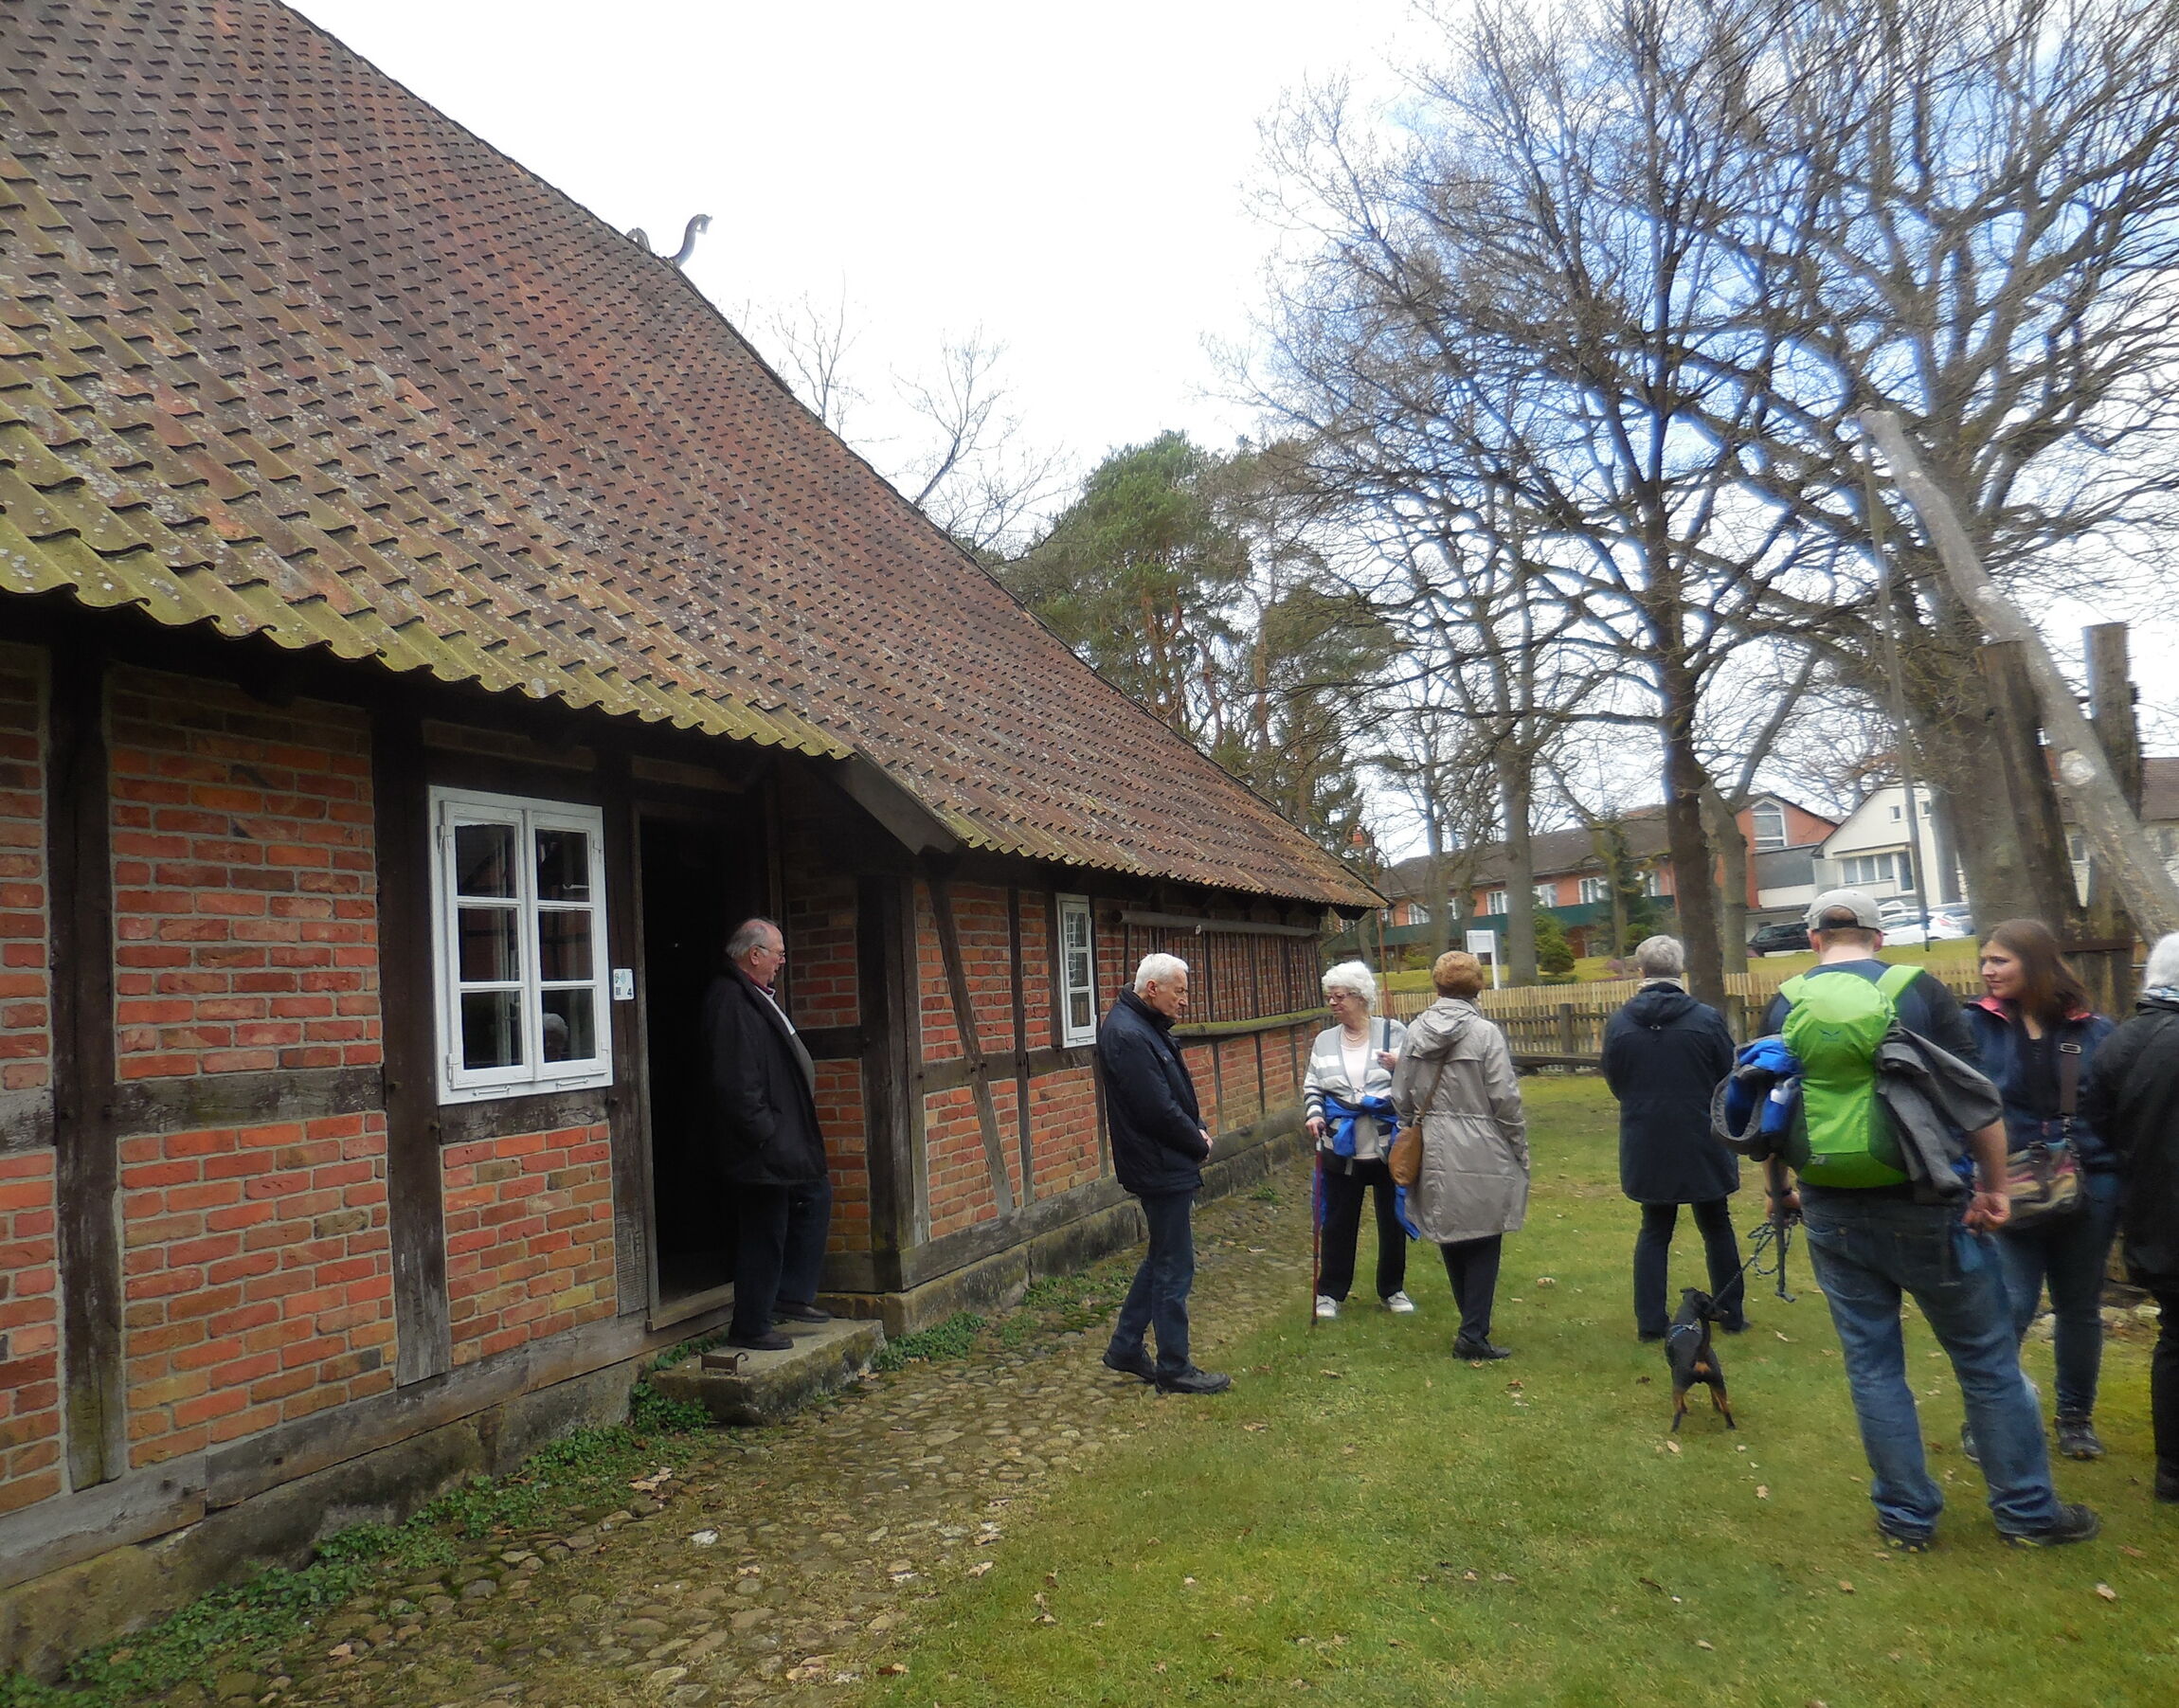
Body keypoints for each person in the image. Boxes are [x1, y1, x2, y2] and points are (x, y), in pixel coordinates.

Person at [1760, 890, 2097, 1548]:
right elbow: (1978, 1101)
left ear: (1812, 939)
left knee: (1873, 1365)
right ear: (1880, 937)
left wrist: (1779, 1191)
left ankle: (1906, 1518)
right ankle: (2026, 1512)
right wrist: (1994, 1188)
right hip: (1928, 1198)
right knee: (1986, 1357)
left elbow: (1771, 1103)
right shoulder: (1921, 992)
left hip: (1830, 1199)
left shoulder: (1788, 998)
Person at [1966, 919, 2120, 1461]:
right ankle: (1990, 1412)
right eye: (1985, 959)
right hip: (2007, 1183)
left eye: (2000, 960)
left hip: (2089, 1181)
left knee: (2079, 1307)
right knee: (2011, 1303)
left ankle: (2075, 1419)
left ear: (2036, 962)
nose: (1988, 970)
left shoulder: (2093, 1029)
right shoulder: (1975, 1026)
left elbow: (2116, 1103)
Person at [1098, 952, 1231, 1395]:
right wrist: (1197, 1142)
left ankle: (1126, 1346)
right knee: (1176, 1265)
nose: (1185, 1000)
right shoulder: (1128, 1034)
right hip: (1157, 1162)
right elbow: (1155, 1109)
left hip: (1165, 1158)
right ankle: (1174, 1366)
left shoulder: (1143, 1027)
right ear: (1152, 988)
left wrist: (1199, 1128)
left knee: (1162, 1257)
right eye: (1180, 990)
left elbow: (1175, 1094)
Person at [1603, 934, 1745, 1341]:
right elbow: (1727, 1075)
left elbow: (1616, 1077)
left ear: (1642, 970)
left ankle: (1651, 1322)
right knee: (1716, 1222)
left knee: (1655, 1227)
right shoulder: (1706, 1019)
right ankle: (1730, 1312)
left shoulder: (1620, 1023)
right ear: (1679, 970)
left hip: (1646, 1134)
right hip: (1701, 1132)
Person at [1392, 949, 1529, 1361]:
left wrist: (1413, 1123)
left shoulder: (1414, 1032)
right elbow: (1505, 1098)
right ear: (1478, 987)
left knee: (1450, 1228)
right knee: (1485, 1234)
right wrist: (1518, 1147)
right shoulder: (1485, 1034)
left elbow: (1401, 1094)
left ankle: (1471, 1328)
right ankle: (1473, 1333)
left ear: (1437, 985)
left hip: (1432, 1139)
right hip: (1482, 1139)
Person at [703, 917, 833, 1353]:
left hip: (778, 1135)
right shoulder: (731, 1000)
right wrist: (764, 1132)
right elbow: (735, 1079)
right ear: (753, 954)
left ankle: (790, 1295)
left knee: (813, 1195)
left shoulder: (752, 996)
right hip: (759, 1142)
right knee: (765, 1228)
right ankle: (752, 1324)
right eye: (777, 951)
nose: (782, 959)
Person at [2082, 932, 2179, 1503]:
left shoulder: (2120, 1042)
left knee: (2174, 1337)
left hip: (2153, 1213)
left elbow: (2098, 1123)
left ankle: (2172, 1471)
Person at [1305, 961, 1414, 1320]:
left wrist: (1400, 1066)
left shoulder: (1394, 1033)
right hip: (1341, 1144)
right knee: (1338, 1221)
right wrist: (1315, 1113)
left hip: (1388, 1145)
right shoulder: (1324, 1040)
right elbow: (1313, 1085)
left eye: (1339, 997)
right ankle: (1330, 1293)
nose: (1333, 1004)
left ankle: (1392, 1290)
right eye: (1330, 997)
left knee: (1392, 1220)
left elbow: (1418, 1077)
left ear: (1361, 998)